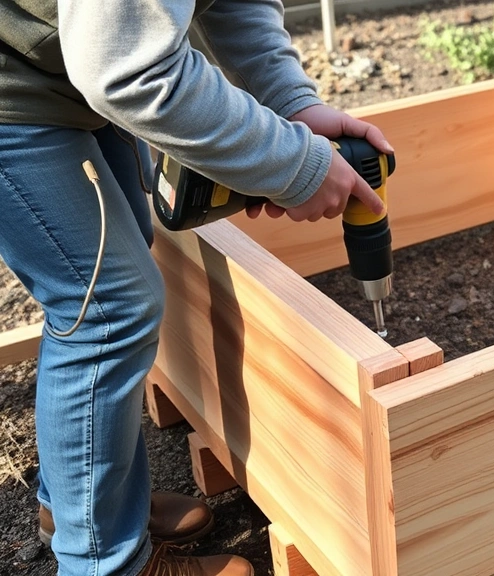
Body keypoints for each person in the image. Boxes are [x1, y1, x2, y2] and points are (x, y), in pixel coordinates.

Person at [0, 0, 392, 574]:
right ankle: (107, 562)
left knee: (116, 275)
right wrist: (296, 164)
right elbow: (129, 73)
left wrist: (292, 103)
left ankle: (85, 509)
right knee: (110, 311)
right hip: (23, 87)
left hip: (70, 68)